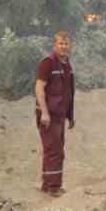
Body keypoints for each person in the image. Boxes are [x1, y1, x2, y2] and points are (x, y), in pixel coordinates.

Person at [34, 31, 76, 196]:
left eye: (66, 44)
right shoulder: (48, 63)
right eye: (61, 43)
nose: (64, 47)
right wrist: (44, 112)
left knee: (56, 149)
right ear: (55, 45)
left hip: (60, 116)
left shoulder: (67, 66)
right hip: (48, 116)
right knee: (54, 151)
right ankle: (53, 188)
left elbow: (68, 92)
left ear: (70, 46)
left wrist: (70, 116)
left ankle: (48, 185)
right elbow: (39, 88)